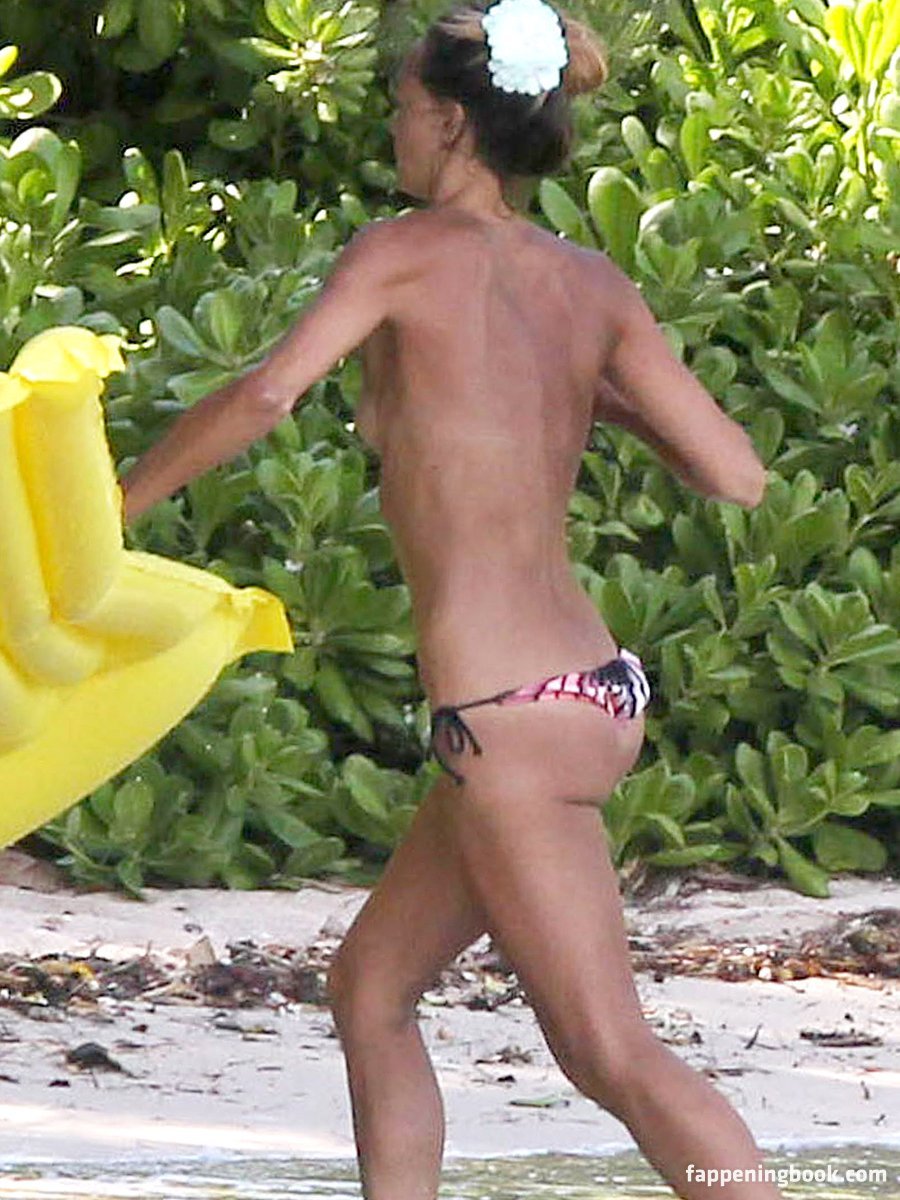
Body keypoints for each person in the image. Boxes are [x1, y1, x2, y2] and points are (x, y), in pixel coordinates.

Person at [121, 1, 780, 1196]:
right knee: (371, 987)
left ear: (448, 122)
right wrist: (591, 397)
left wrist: (119, 505)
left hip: (504, 715)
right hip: (586, 692)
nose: (393, 132)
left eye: (400, 110)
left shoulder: (399, 251)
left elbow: (266, 396)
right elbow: (737, 473)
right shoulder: (592, 284)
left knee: (608, 1053)